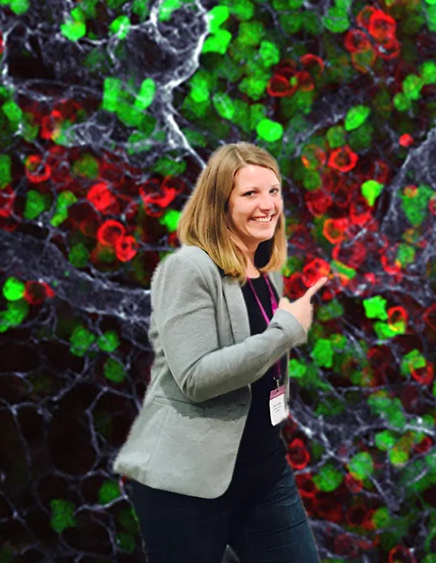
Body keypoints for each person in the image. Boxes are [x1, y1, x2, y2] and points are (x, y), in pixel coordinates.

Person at [113, 142, 326, 563]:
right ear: (220, 204)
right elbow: (196, 378)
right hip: (187, 486)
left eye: (274, 191)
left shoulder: (267, 270)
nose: (268, 205)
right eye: (251, 194)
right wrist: (286, 330)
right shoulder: (188, 269)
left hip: (264, 472)